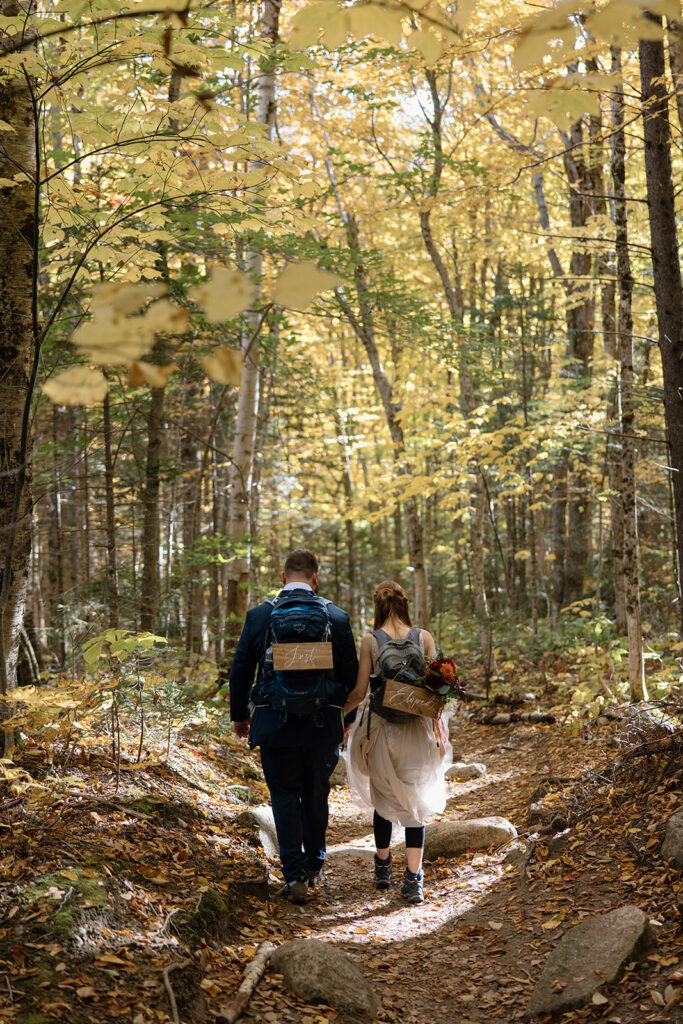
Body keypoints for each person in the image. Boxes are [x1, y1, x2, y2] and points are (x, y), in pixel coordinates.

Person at [229, 549, 359, 904]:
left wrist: (240, 717)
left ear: (283, 578)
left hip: (275, 722)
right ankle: (316, 862)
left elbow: (240, 670)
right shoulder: (336, 617)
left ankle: (294, 875)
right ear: (316, 579)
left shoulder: (260, 616)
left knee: (285, 796)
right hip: (321, 724)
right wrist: (344, 719)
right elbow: (350, 675)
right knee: (317, 793)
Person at [344, 580, 452, 904]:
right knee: (414, 800)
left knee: (383, 796)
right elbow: (438, 691)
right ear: (405, 604)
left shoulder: (370, 641)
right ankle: (414, 879)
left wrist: (341, 712)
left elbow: (361, 692)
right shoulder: (424, 637)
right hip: (417, 732)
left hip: (382, 731)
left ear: (377, 606)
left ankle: (382, 865)